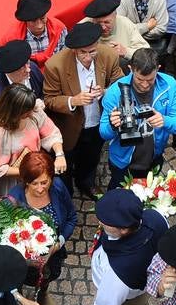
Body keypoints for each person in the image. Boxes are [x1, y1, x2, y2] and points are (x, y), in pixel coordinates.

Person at [42, 21, 123, 199]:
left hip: (96, 123)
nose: (88, 57)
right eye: (83, 53)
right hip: (69, 127)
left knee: (91, 157)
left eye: (92, 51)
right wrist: (74, 100)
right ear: (74, 50)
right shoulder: (55, 65)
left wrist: (106, 92)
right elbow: (49, 99)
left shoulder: (109, 55)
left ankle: (86, 182)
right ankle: (66, 191)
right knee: (68, 159)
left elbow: (120, 83)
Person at [99, 47, 176, 189]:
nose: (145, 85)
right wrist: (113, 125)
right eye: (140, 79)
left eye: (150, 80)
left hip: (153, 158)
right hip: (123, 163)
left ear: (158, 69)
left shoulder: (169, 85)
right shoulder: (115, 92)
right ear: (130, 69)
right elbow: (103, 133)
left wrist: (165, 120)